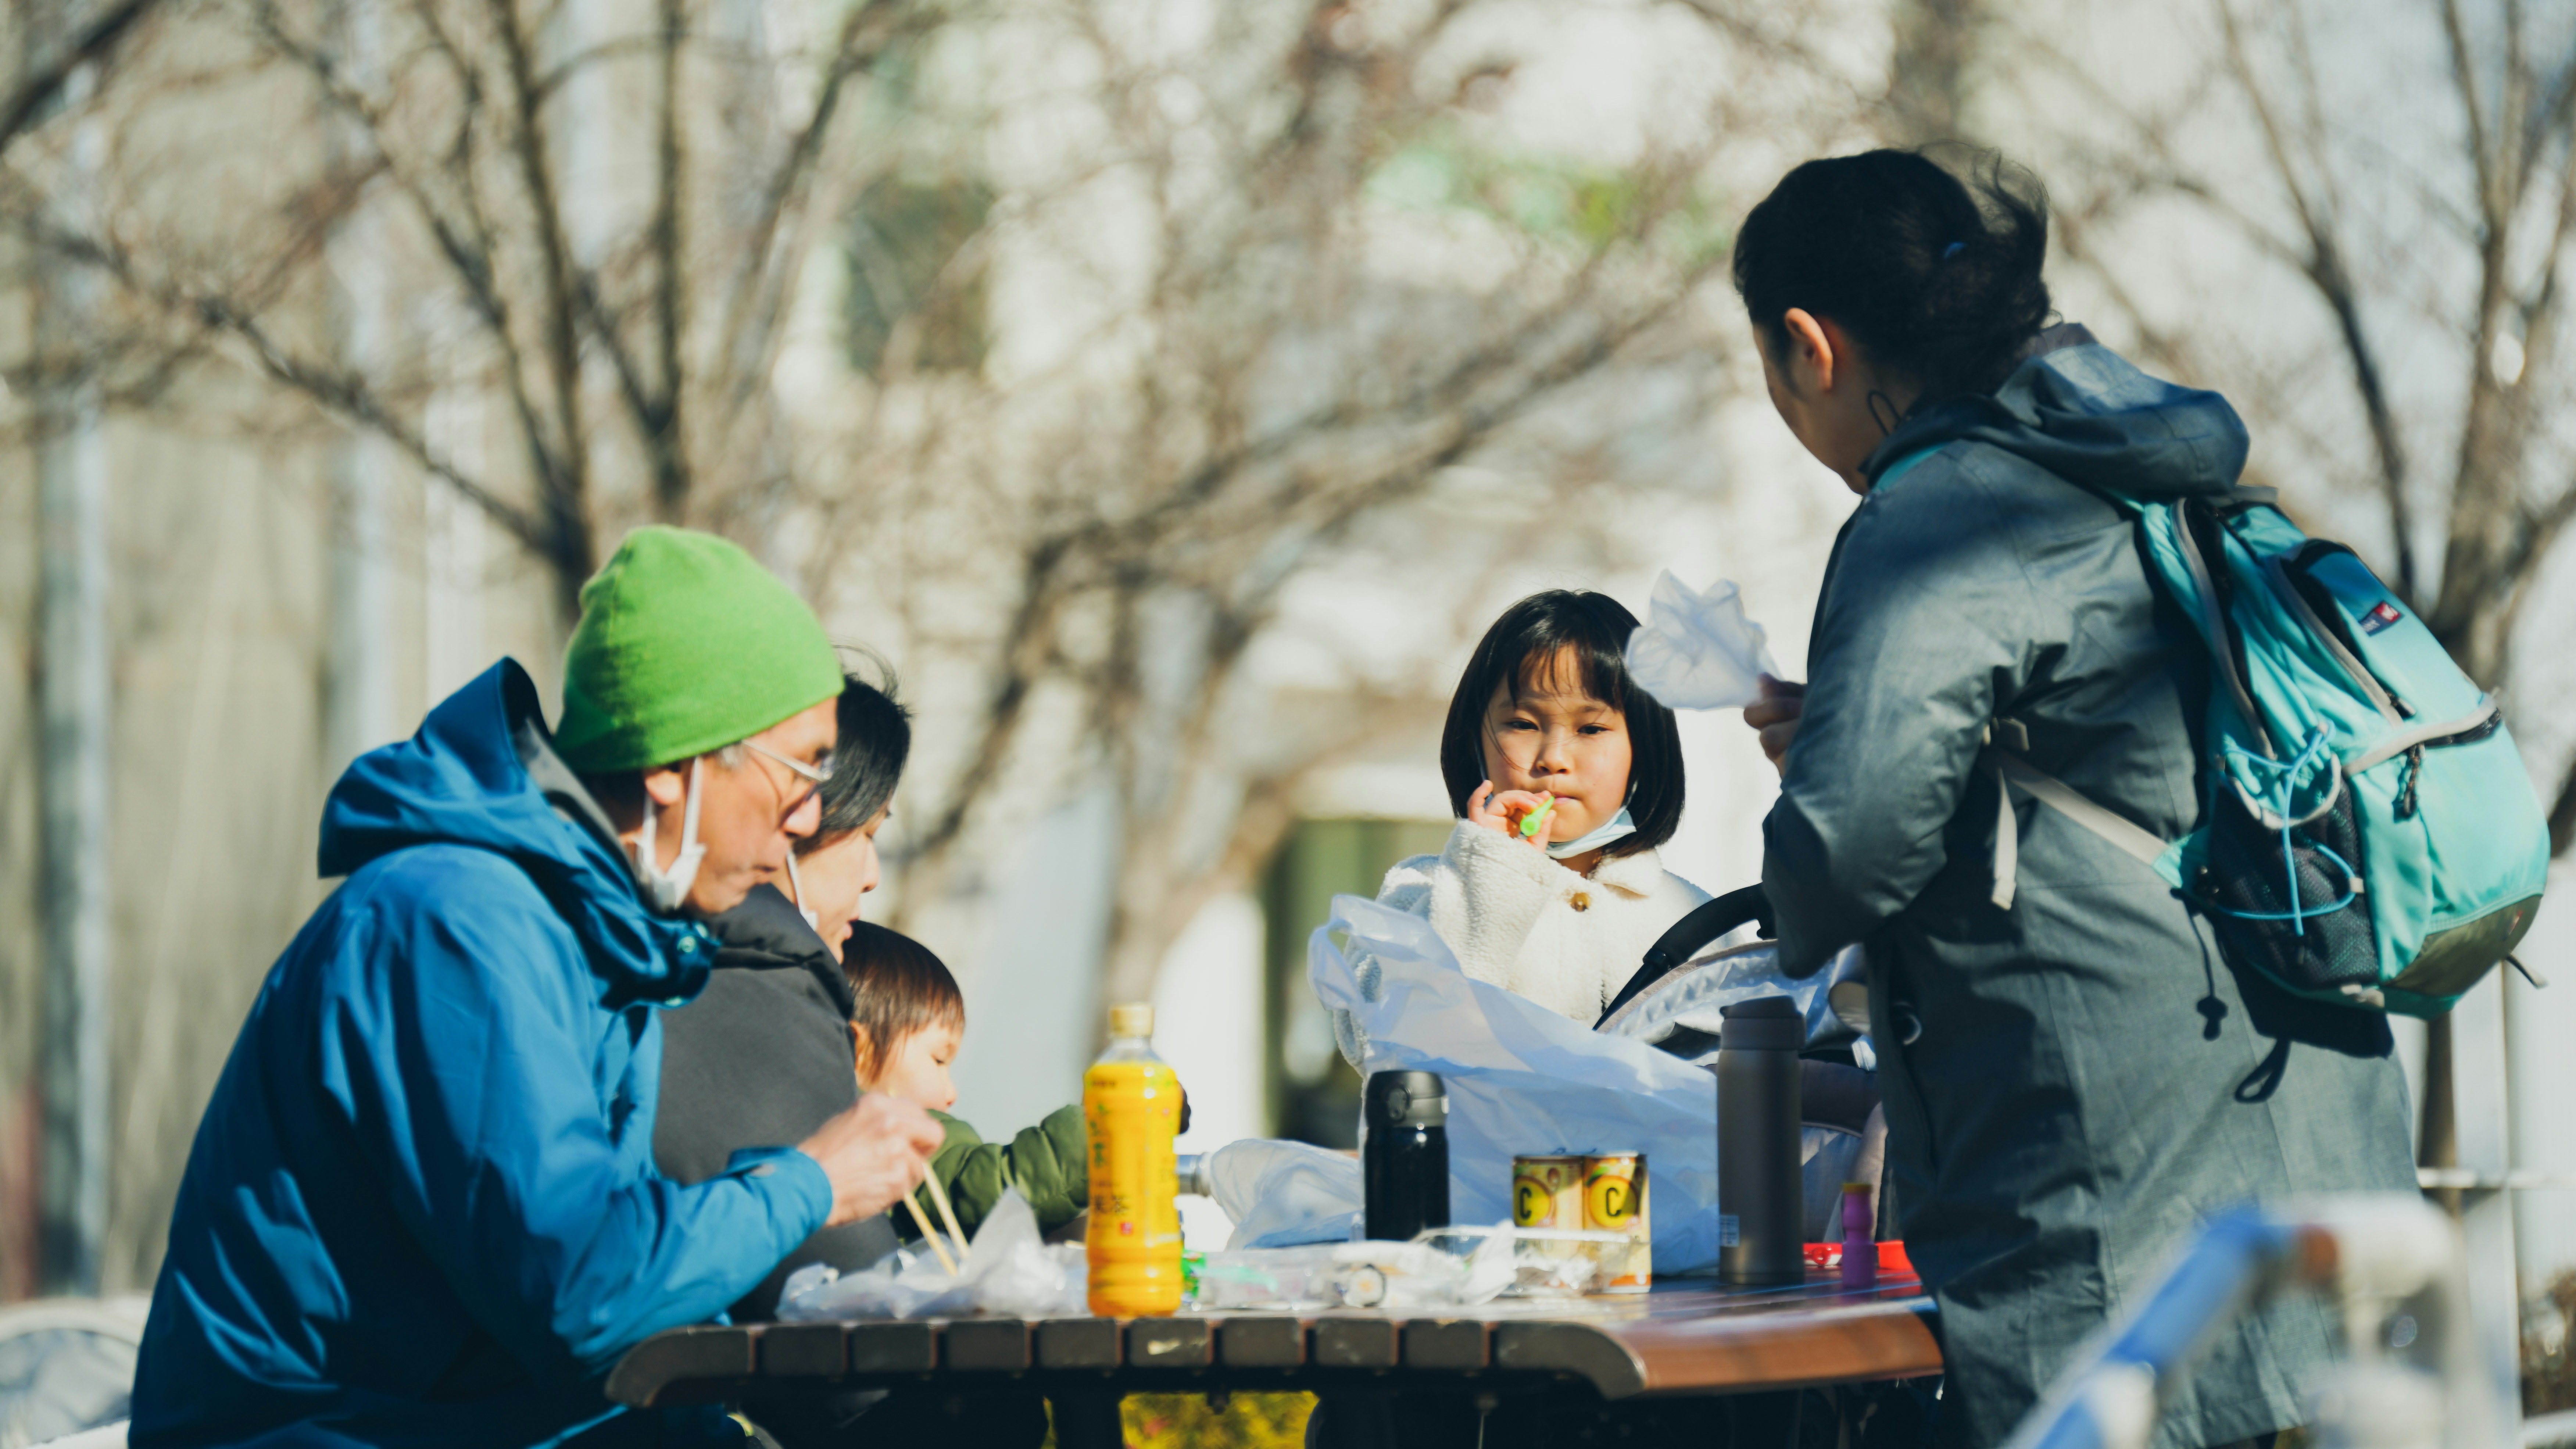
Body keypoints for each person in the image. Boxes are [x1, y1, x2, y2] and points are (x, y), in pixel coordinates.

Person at [1732, 149, 2415, 1449]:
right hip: (2311, 1123)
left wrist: (1816, 792)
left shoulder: (1935, 513)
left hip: (2113, 1192)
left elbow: (1843, 855)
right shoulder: (2140, 469)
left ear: (1808, 348)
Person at [131, 527, 946, 1449]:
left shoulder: (595, 933)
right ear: (671, 769)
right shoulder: (454, 924)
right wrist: (808, 1183)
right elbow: (578, 1293)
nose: (808, 816)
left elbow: (595, 1264)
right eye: (800, 770)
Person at [1334, 590, 1710, 1069]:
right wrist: (1490, 875)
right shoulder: (1417, 892)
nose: (1553, 757)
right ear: (1475, 741)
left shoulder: (1693, 921)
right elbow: (1381, 1043)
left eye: (1591, 729)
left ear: (1645, 749)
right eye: (1523, 722)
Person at [652, 668, 915, 1322]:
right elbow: (859, 1352)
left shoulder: (688, 956)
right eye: (868, 832)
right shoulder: (756, 983)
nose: (873, 874)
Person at [840, 922, 1087, 1243]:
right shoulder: (895, 1142)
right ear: (861, 1052)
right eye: (939, 1060)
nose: (951, 1094)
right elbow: (985, 1191)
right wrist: (1108, 1131)